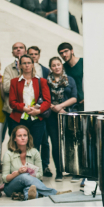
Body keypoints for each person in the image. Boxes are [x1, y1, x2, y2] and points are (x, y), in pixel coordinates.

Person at [2, 125, 57, 201]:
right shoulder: (8, 154)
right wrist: (18, 173)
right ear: (14, 138)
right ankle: (53, 193)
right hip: (11, 187)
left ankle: (28, 196)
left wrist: (29, 176)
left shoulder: (34, 152)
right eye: (19, 136)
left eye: (25, 135)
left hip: (31, 184)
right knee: (24, 176)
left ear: (28, 137)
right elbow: (5, 178)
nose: (23, 138)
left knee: (30, 188)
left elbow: (40, 174)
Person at [8, 54, 51, 150]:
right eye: (24, 63)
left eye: (29, 63)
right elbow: (12, 102)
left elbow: (47, 101)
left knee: (34, 148)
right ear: (20, 66)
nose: (27, 65)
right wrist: (24, 108)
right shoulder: (14, 82)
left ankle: (32, 166)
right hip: (19, 119)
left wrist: (38, 111)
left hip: (37, 119)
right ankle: (21, 165)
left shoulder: (42, 81)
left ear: (33, 64)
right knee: (19, 148)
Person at [47, 57, 77, 181]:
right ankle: (59, 172)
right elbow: (44, 98)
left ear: (62, 66)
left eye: (58, 64)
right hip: (52, 117)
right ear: (50, 67)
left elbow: (74, 98)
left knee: (70, 143)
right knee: (55, 144)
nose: (56, 67)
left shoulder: (70, 80)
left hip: (68, 114)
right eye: (53, 65)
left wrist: (61, 106)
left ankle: (74, 171)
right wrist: (55, 108)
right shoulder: (46, 81)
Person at [27, 46, 51, 177]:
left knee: (44, 141)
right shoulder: (23, 73)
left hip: (43, 110)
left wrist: (41, 107)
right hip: (28, 111)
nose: (34, 56)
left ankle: (45, 166)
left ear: (39, 55)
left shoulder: (46, 71)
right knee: (32, 141)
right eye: (31, 54)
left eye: (36, 54)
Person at [3, 42, 26, 136]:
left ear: (26, 51)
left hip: (29, 110)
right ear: (12, 52)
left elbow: (35, 88)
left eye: (21, 47)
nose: (18, 49)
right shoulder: (8, 69)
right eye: (15, 48)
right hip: (13, 111)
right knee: (14, 138)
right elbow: (6, 88)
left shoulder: (34, 67)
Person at [58, 43, 84, 112]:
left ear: (72, 51)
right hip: (71, 105)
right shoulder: (62, 68)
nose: (64, 55)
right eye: (61, 53)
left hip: (85, 102)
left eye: (66, 51)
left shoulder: (83, 62)